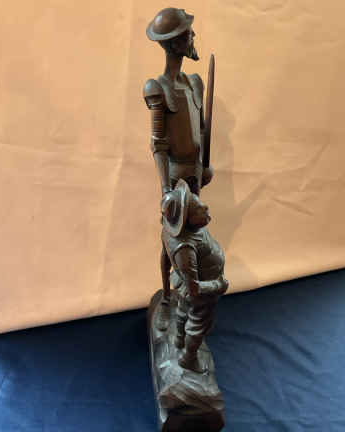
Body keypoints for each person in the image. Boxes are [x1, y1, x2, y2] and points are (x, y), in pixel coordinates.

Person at [144, 8, 214, 330]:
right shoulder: (157, 88)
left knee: (195, 236)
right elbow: (159, 144)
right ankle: (168, 296)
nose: (193, 36)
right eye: (187, 34)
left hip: (194, 176)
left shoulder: (195, 84)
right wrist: (166, 190)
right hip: (175, 180)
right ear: (174, 43)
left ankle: (190, 293)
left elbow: (200, 131)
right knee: (170, 239)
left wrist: (205, 166)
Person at [161, 180, 228, 373]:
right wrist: (218, 285)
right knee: (198, 323)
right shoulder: (184, 248)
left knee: (183, 308)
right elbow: (194, 289)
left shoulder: (190, 230)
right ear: (186, 219)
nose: (205, 207)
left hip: (186, 285)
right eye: (199, 209)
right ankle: (188, 358)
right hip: (200, 292)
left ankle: (179, 338)